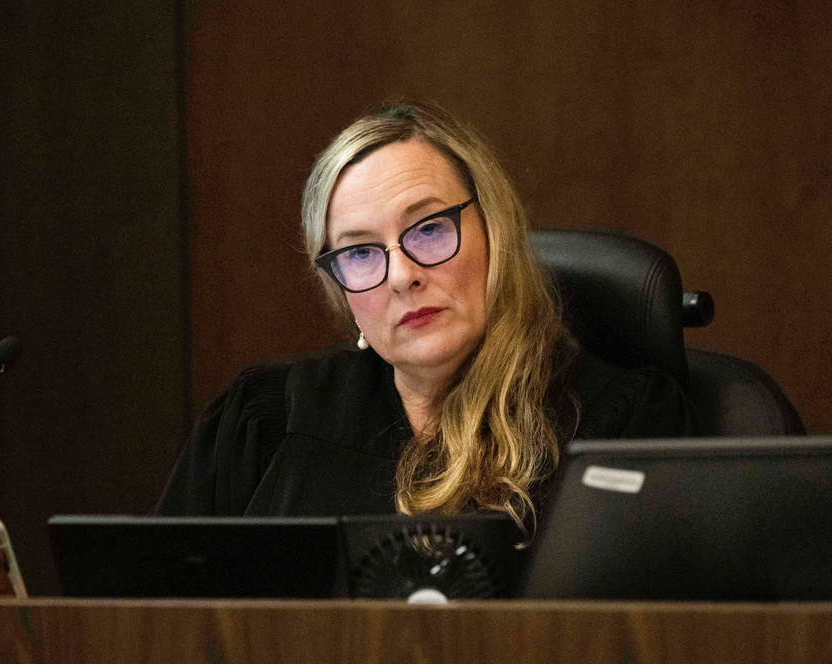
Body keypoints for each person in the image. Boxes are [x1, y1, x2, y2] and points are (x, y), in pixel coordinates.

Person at [155, 103, 700, 530]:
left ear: (495, 232)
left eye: (429, 229)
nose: (401, 276)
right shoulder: (260, 422)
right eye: (361, 252)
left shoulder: (621, 426)